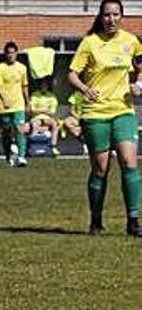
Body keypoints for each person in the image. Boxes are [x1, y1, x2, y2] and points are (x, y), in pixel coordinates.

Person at [68, 0, 142, 236]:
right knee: (100, 169)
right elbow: (72, 74)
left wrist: (138, 83)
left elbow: (140, 65)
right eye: (107, 15)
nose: (111, 19)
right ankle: (96, 220)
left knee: (130, 163)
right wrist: (84, 89)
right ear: (101, 17)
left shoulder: (131, 41)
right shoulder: (90, 43)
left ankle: (133, 221)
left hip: (123, 112)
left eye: (116, 14)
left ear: (122, 16)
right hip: (96, 114)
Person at [0, 41, 30, 166]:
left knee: (20, 129)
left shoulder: (22, 68)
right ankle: (8, 156)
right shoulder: (1, 67)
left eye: (13, 53)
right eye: (8, 53)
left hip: (18, 104)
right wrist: (5, 101)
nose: (10, 55)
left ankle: (21, 156)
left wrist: (27, 102)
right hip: (4, 105)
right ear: (5, 54)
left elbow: (24, 85)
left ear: (16, 53)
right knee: (7, 132)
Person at [29, 78, 61, 155]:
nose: (43, 86)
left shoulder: (52, 96)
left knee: (55, 124)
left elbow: (53, 111)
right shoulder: (34, 95)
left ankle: (53, 146)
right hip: (36, 117)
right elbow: (32, 110)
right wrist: (45, 110)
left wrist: (40, 109)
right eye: (42, 85)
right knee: (35, 125)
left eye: (45, 85)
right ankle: (33, 147)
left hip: (48, 118)